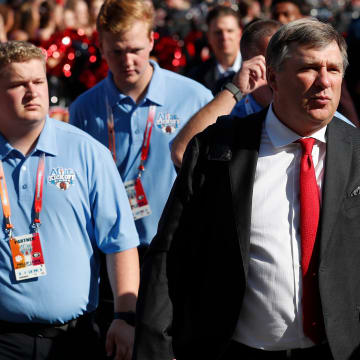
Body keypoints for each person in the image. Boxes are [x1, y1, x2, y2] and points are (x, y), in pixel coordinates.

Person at [133, 18, 360, 360]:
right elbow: (169, 257)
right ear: (272, 77)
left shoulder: (355, 151)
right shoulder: (219, 150)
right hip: (237, 350)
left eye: (333, 69)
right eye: (310, 68)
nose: (324, 82)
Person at [69, 0, 212, 342]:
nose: (128, 61)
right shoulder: (84, 109)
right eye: (116, 52)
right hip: (111, 260)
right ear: (101, 47)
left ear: (151, 39)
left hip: (175, 253)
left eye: (134, 49)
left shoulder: (194, 98)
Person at [0, 40, 140, 360]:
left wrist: (124, 317)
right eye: (18, 84)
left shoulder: (86, 152)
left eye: (38, 81)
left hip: (72, 340)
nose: (32, 92)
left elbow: (119, 242)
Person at [171, 19, 280, 167]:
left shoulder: (306, 103)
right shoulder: (232, 112)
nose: (284, 70)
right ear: (253, 65)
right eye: (274, 61)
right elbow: (182, 152)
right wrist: (235, 89)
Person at [185, 5, 242, 94]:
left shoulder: (259, 70)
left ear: (239, 33)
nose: (224, 37)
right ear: (208, 36)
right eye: (218, 32)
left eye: (230, 31)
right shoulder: (196, 76)